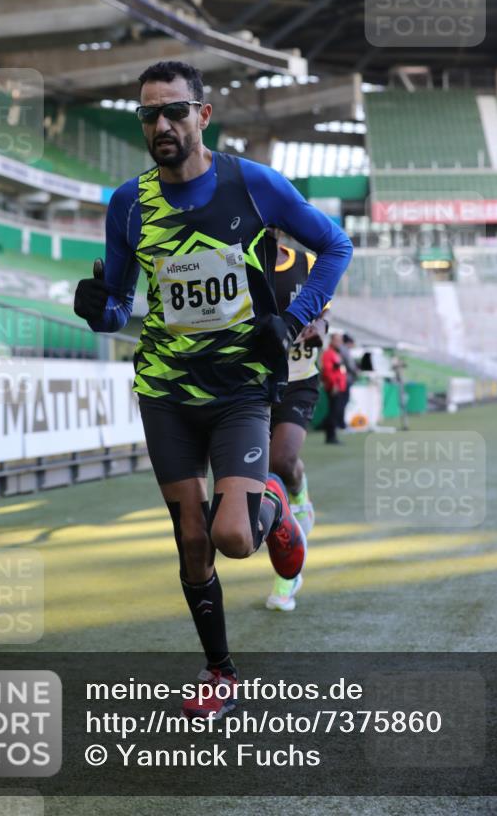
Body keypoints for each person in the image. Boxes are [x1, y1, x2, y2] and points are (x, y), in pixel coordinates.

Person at [73, 60, 353, 717]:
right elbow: (118, 306)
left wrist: (289, 318)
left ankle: (276, 508)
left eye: (174, 110)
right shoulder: (127, 203)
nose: (161, 124)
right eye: (149, 114)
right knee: (191, 539)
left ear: (202, 116)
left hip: (238, 389)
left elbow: (334, 246)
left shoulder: (250, 184)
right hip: (166, 390)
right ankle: (219, 671)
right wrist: (97, 310)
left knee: (232, 535)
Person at [266, 235, 330, 612]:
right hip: (252, 384)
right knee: (258, 485)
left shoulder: (307, 264)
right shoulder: (236, 264)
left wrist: (320, 328)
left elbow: (324, 312)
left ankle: (299, 490)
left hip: (298, 380)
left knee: (282, 461)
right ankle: (287, 573)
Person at [321, 333, 348, 444]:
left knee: (336, 412)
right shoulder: (328, 354)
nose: (339, 343)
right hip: (334, 387)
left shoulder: (336, 354)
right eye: (337, 340)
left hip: (339, 387)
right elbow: (327, 371)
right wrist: (334, 385)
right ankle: (330, 437)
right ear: (331, 341)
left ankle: (331, 435)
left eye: (340, 341)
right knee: (334, 412)